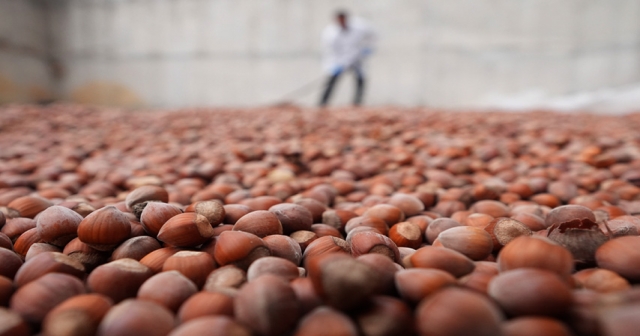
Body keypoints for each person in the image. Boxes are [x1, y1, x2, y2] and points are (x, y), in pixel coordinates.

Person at [319, 10, 376, 107]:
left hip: (357, 58)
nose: (342, 22)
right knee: (331, 81)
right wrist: (335, 65)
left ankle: (357, 103)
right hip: (339, 61)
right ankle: (322, 104)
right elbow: (330, 51)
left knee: (360, 80)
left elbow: (373, 35)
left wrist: (368, 48)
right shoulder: (330, 33)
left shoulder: (360, 26)